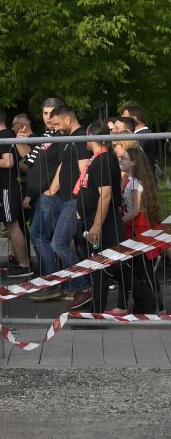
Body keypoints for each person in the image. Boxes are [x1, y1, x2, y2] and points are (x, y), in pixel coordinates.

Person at [76, 121, 127, 313]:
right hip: (95, 221)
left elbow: (105, 195)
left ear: (91, 136)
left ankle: (143, 300)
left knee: (113, 267)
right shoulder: (97, 159)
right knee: (101, 269)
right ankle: (97, 309)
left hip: (104, 224)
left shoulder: (104, 159)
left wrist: (97, 225)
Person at [23, 99, 66, 301]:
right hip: (41, 195)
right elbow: (32, 164)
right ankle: (58, 282)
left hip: (52, 196)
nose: (47, 117)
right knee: (49, 240)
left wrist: (52, 189)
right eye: (44, 112)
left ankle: (52, 283)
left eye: (51, 113)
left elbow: (62, 164)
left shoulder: (61, 135)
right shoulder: (46, 136)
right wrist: (31, 194)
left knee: (40, 237)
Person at [112, 141, 162, 312]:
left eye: (124, 159)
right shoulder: (131, 181)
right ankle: (152, 306)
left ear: (133, 162)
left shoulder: (134, 183)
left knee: (146, 272)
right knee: (142, 271)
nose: (121, 160)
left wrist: (117, 223)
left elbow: (134, 211)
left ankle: (157, 308)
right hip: (135, 231)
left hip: (138, 232)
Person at [51, 106, 92, 308]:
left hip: (75, 200)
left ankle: (84, 286)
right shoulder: (70, 139)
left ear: (68, 119)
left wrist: (79, 200)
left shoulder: (80, 138)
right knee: (70, 244)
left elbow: (85, 172)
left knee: (58, 243)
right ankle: (84, 285)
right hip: (69, 199)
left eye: (58, 123)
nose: (56, 128)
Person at [0, 107, 30, 278]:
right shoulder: (8, 135)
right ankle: (21, 262)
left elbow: (8, 162)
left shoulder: (3, 136)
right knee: (11, 225)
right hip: (10, 186)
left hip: (7, 187)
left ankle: (24, 264)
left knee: (12, 225)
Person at [119, 103, 160, 171]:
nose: (122, 122)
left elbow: (129, 159)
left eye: (124, 119)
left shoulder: (142, 136)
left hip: (143, 179)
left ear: (134, 119)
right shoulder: (142, 135)